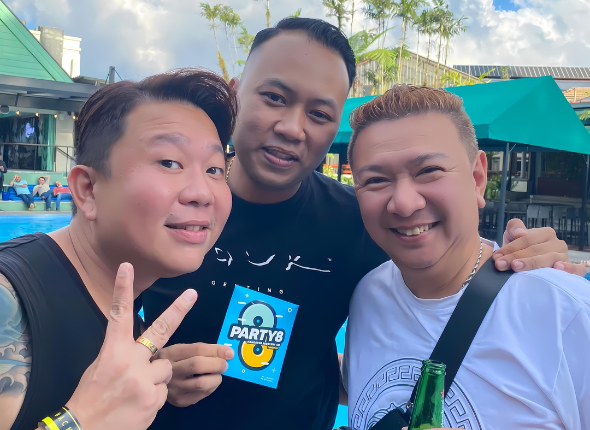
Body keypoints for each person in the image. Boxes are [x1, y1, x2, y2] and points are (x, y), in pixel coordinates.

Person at [142, 18, 585, 430]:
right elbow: (103, 319)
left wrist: (525, 260)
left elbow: (444, 256)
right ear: (235, 96)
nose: (292, 128)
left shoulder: (361, 220)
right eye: (274, 97)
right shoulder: (163, 202)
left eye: (319, 114)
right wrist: (150, 367)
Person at [340, 85, 590, 430]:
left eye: (429, 171)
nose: (404, 203)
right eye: (375, 180)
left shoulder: (567, 312)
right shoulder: (368, 294)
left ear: (476, 178)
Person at [0, 68, 236, 430]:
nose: (202, 193)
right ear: (88, 190)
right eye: (169, 162)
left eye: (215, 169)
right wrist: (84, 420)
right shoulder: (9, 298)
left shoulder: (123, 315)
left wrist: (151, 379)